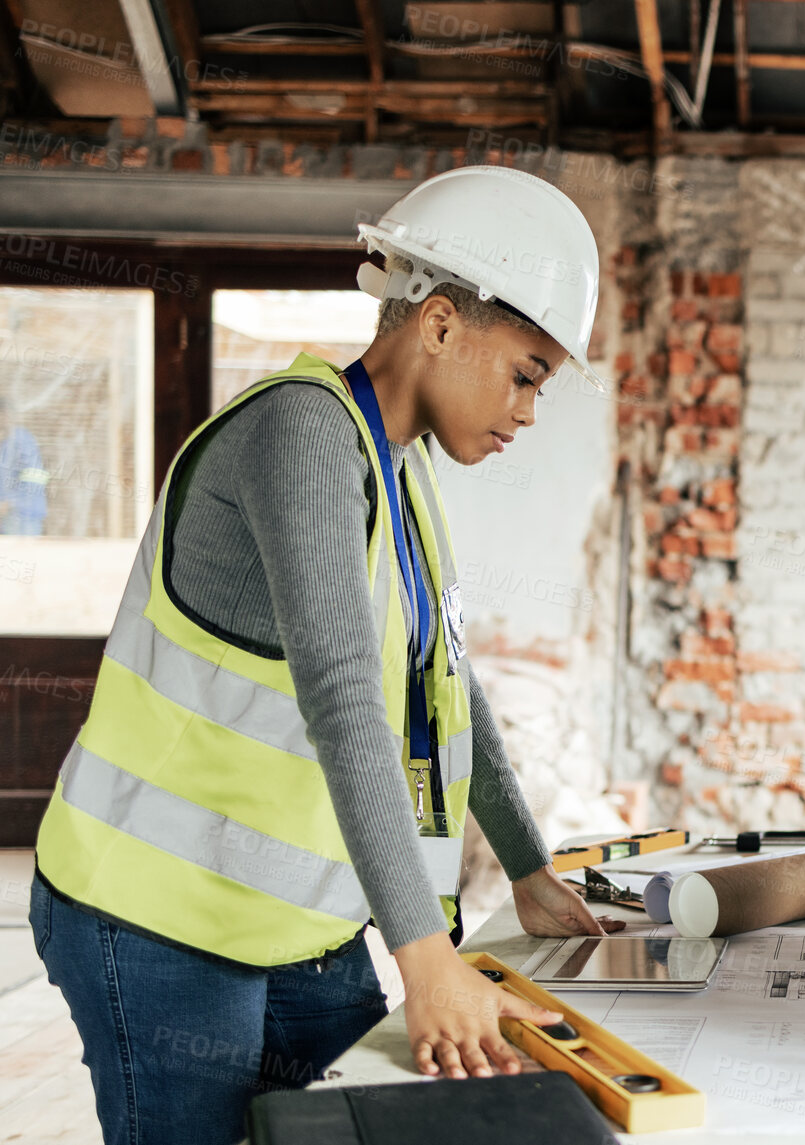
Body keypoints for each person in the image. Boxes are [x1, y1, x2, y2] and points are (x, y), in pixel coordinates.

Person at [30, 165, 626, 1145]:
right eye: (524, 373)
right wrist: (425, 956)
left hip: (294, 923)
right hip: (153, 919)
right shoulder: (298, 433)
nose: (527, 412)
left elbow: (447, 680)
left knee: (361, 1123)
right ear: (437, 324)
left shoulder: (403, 471)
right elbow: (346, 699)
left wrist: (525, 863)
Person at [0, 394, 48, 535]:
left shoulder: (22, 441)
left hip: (24, 518)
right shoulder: (5, 442)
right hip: (8, 517)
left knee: (20, 555)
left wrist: (9, 503)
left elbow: (34, 479)